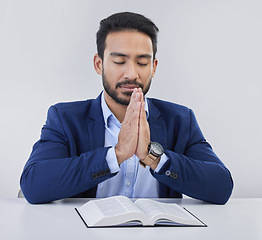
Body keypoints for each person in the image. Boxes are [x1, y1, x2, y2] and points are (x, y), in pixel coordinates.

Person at [20, 12, 233, 204]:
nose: (131, 74)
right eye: (120, 61)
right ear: (99, 64)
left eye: (142, 63)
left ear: (153, 68)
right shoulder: (65, 118)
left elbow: (221, 187)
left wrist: (153, 157)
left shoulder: (180, 119)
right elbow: (34, 186)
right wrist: (117, 154)